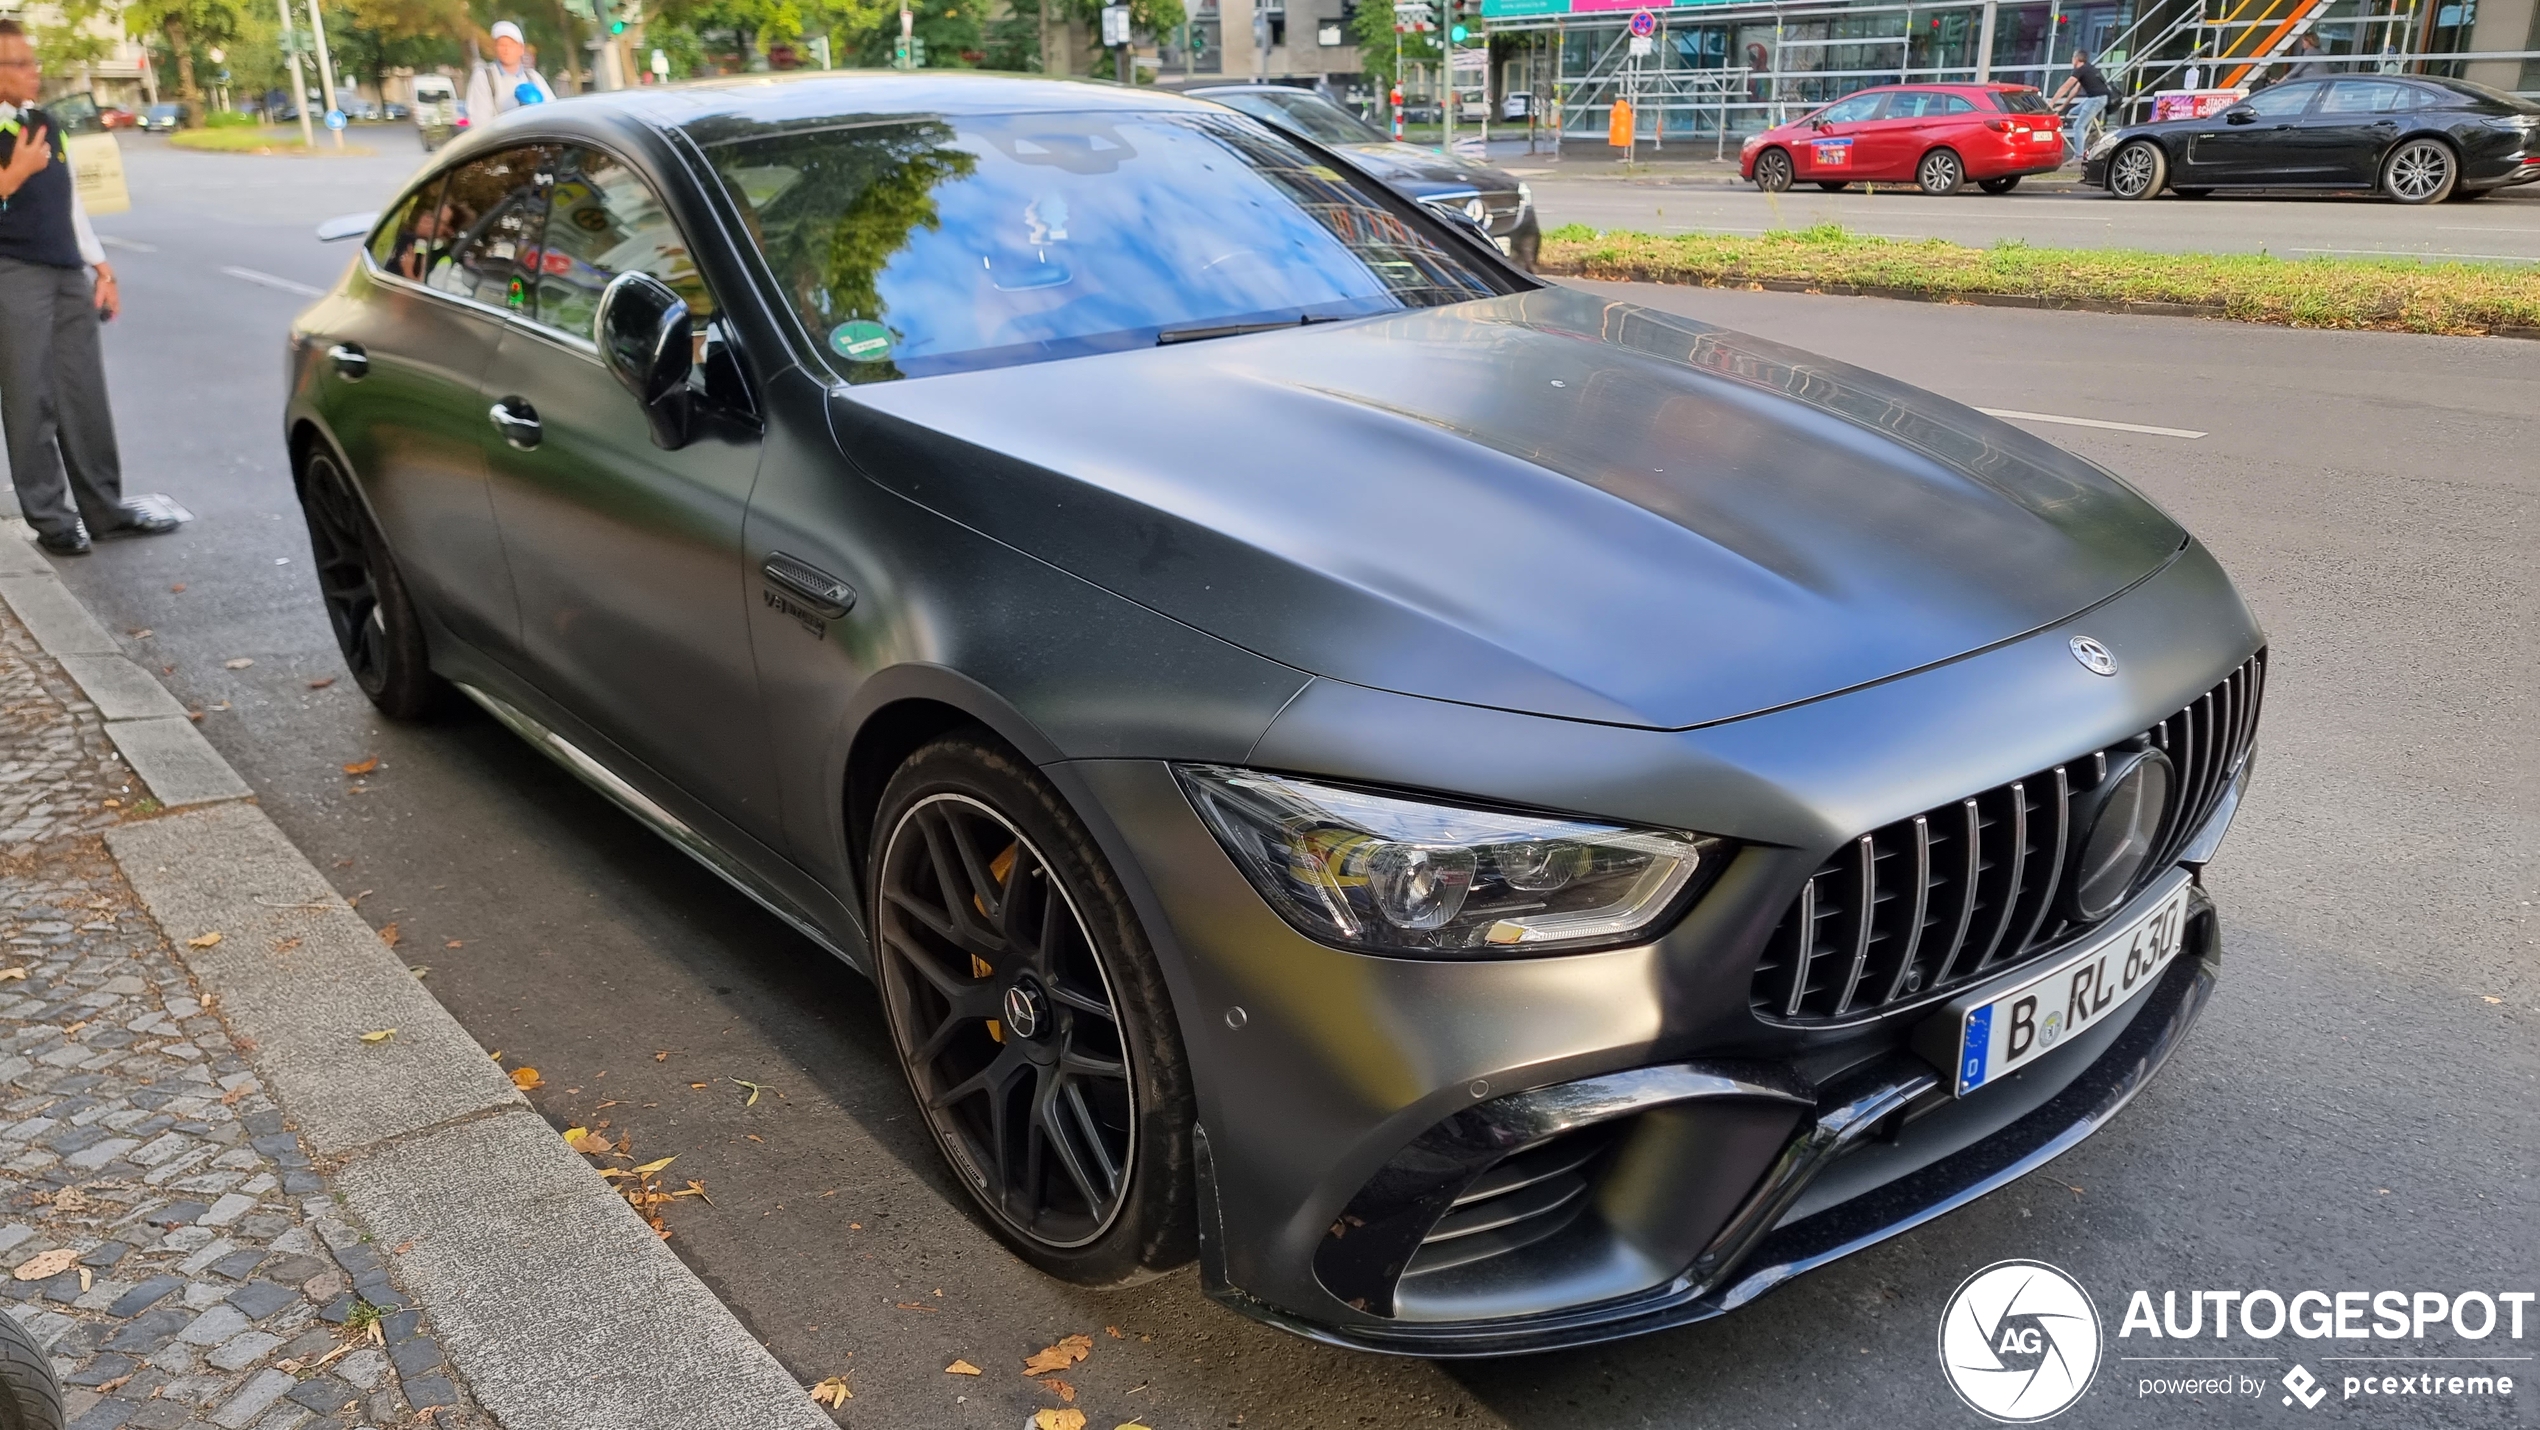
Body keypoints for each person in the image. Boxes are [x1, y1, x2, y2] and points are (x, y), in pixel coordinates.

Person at [0, 20, 180, 556]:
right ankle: (52, 521)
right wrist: (12, 176)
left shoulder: (44, 122)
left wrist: (101, 268)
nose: (35, 73)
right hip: (12, 273)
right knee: (29, 398)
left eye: (33, 62)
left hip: (66, 270)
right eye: (21, 64)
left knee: (83, 393)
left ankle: (104, 509)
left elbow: (70, 201)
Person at [464, 21, 555, 123]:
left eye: (511, 45)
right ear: (495, 48)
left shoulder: (533, 77)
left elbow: (552, 110)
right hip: (501, 137)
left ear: (521, 49)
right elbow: (479, 120)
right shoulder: (484, 77)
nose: (506, 49)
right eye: (502, 45)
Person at [2052, 46, 2113, 164]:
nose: (2071, 61)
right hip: (2093, 99)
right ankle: (2093, 130)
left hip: (2096, 100)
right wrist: (2063, 106)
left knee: (2078, 126)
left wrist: (2052, 102)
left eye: (2072, 58)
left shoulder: (2080, 70)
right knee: (2071, 113)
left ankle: (2079, 156)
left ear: (2076, 59)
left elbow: (2066, 87)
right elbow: (2074, 91)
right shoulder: (2088, 68)